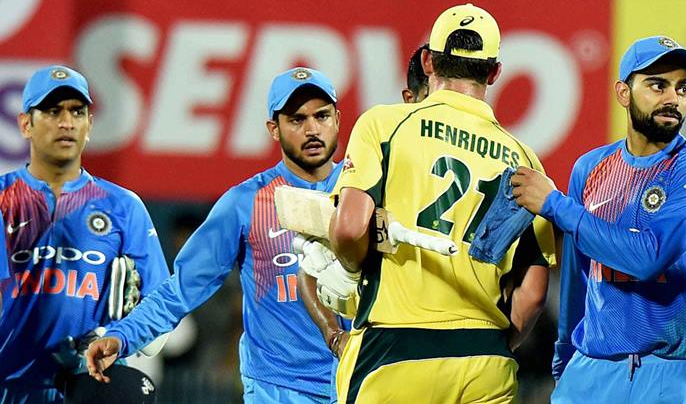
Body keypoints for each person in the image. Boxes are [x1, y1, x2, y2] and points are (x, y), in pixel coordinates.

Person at [327, 4, 555, 403]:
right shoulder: (525, 160)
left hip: (395, 346)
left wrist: (346, 269)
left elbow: (348, 229)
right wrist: (495, 344)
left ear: (428, 62)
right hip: (485, 358)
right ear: (494, 72)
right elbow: (533, 292)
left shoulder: (385, 125)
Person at [87, 67, 346, 403]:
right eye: (296, 120)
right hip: (281, 389)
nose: (312, 129)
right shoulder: (245, 203)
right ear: (274, 129)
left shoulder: (367, 191)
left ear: (337, 120)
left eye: (321, 116)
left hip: (364, 382)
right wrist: (123, 336)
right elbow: (181, 289)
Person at [510, 35, 686, 403]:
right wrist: (565, 359)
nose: (673, 98)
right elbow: (577, 275)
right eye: (657, 85)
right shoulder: (590, 168)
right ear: (623, 93)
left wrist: (555, 205)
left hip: (667, 373)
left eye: (683, 88)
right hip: (590, 370)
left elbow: (649, 256)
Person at [0, 65, 170, 402]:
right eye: (52, 111)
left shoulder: (123, 207)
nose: (67, 122)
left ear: (89, 125)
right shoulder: (4, 200)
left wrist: (118, 332)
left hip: (89, 388)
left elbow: (158, 337)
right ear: (25, 124)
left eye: (77, 112)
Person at [296, 43, 432, 404]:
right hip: (384, 354)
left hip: (456, 356)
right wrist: (334, 336)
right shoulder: (373, 171)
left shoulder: (476, 175)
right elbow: (309, 270)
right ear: (408, 100)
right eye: (431, 101)